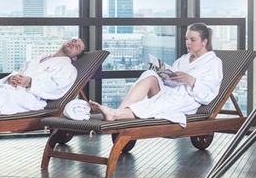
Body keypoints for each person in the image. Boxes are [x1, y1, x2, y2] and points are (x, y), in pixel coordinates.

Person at [90, 23, 222, 126]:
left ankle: (115, 114)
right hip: (170, 91)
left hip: (185, 100)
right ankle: (120, 111)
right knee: (150, 74)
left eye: (192, 40)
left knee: (160, 102)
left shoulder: (213, 63)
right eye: (186, 39)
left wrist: (190, 80)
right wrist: (163, 73)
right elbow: (171, 81)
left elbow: (208, 95)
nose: (188, 43)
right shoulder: (183, 59)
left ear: (204, 42)